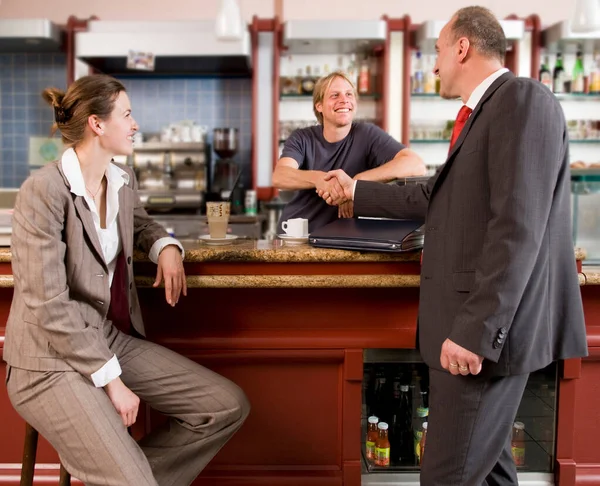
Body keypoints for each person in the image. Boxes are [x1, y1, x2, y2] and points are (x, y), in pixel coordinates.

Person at [320, 7, 587, 485]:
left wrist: (476, 331)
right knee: (490, 473)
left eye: (438, 51)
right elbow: (434, 193)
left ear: (462, 47)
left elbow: (517, 227)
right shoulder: (483, 114)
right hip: (475, 334)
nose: (436, 65)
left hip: (483, 339)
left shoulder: (521, 100)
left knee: (446, 476)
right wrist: (355, 190)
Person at [3, 74, 250, 486]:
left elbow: (142, 226)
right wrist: (112, 381)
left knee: (225, 405)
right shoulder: (42, 191)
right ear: (97, 124)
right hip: (47, 360)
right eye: (128, 114)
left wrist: (167, 247)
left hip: (103, 337)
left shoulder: (121, 180)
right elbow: (48, 305)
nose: (136, 124)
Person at [272, 70, 426, 234]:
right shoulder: (302, 138)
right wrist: (319, 179)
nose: (344, 100)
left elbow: (415, 164)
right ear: (319, 106)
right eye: (335, 95)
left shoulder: (368, 134)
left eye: (349, 94)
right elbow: (280, 176)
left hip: (346, 237)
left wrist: (355, 185)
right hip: (298, 236)